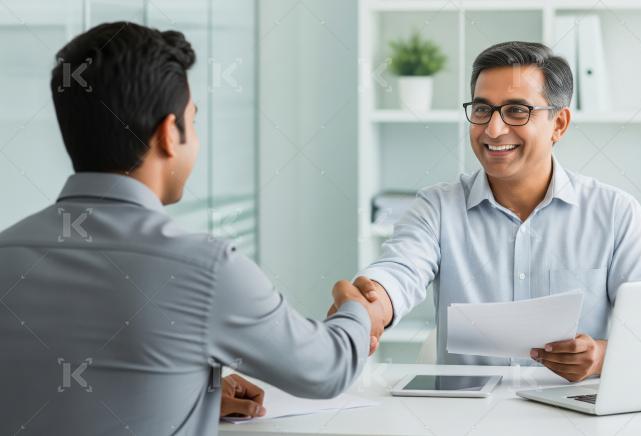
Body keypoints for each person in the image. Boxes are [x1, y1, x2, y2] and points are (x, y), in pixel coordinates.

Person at [0, 21, 383, 435]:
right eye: (192, 121)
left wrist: (188, 387)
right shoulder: (205, 268)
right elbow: (327, 368)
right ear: (169, 134)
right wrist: (356, 310)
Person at [331, 41, 641, 382]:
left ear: (559, 123)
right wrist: (370, 306)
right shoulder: (437, 208)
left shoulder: (616, 213)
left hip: (571, 411)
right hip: (463, 412)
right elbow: (399, 272)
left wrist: (600, 358)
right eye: (482, 110)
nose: (493, 130)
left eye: (517, 111)